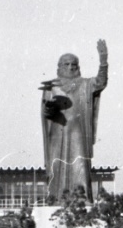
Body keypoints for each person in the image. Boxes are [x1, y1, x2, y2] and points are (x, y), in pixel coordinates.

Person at [41, 40, 108, 202]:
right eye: (66, 64)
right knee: (58, 166)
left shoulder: (85, 84)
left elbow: (101, 82)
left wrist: (103, 61)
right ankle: (57, 199)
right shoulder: (52, 86)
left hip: (78, 131)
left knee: (80, 165)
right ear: (60, 66)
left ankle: (81, 199)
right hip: (58, 132)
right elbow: (45, 113)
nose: (70, 67)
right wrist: (49, 108)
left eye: (73, 64)